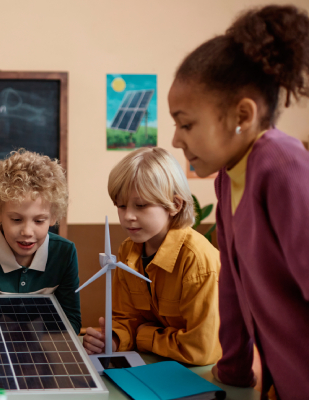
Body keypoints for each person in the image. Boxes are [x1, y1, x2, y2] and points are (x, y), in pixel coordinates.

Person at [169, 5, 309, 398]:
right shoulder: (228, 180)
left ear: (241, 115)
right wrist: (232, 370)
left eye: (187, 123)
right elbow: (233, 285)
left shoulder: (282, 166)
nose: (177, 139)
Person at [82, 148, 221, 366]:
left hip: (200, 373)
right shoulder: (128, 251)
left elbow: (200, 349)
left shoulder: (197, 260)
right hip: (154, 363)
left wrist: (143, 335)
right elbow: (125, 318)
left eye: (141, 205)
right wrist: (114, 339)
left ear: (175, 205)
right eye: (121, 205)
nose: (128, 216)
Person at [0, 149, 81, 332]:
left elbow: (70, 322)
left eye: (39, 221)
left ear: (54, 217)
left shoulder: (64, 253)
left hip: (46, 350)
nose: (27, 232)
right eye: (16, 220)